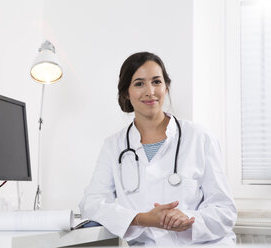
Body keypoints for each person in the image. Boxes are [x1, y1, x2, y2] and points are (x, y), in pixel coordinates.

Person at [79, 52, 237, 246]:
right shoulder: (113, 147)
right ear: (126, 93)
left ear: (166, 86)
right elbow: (91, 204)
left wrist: (187, 218)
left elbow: (225, 210)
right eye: (139, 83)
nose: (150, 91)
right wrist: (142, 219)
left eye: (156, 82)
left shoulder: (200, 137)